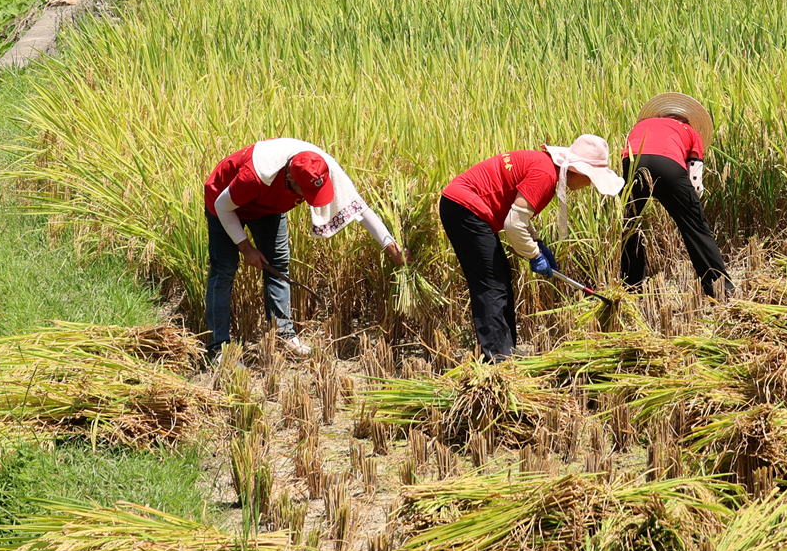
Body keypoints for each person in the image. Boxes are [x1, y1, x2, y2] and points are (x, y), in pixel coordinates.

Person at [204, 138, 407, 361]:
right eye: (306, 191)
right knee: (224, 270)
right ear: (290, 178)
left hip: (267, 207)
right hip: (223, 200)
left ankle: (284, 337)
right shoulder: (255, 175)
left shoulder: (322, 166)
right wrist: (245, 247)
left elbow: (358, 207)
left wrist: (390, 245)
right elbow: (222, 206)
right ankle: (218, 348)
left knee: (277, 263)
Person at [439, 136, 625, 361]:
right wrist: (534, 255)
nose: (587, 186)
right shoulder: (545, 175)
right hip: (465, 209)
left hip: (468, 208)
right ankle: (497, 362)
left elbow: (519, 216)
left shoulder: (544, 166)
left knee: (501, 279)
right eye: (589, 180)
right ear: (577, 171)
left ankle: (506, 354)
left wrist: (537, 243)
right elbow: (513, 225)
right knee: (492, 285)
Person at [620, 92, 730, 298]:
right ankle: (720, 291)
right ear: (685, 120)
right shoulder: (691, 131)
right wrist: (690, 205)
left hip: (632, 164)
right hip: (668, 166)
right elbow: (695, 182)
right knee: (696, 227)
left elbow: (629, 151)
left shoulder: (640, 126)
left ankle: (631, 288)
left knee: (630, 225)